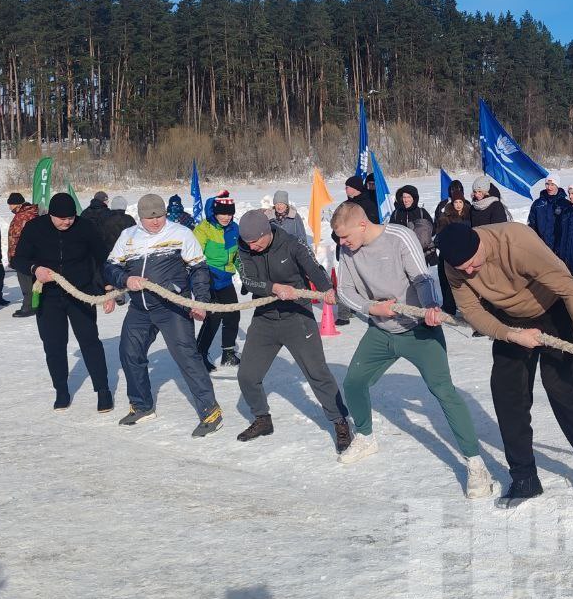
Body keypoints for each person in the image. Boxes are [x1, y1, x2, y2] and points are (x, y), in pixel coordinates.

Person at [437, 221, 573, 506]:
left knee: (563, 392)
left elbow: (569, 288)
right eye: (462, 269)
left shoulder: (516, 242)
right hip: (510, 321)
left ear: (479, 243)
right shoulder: (455, 265)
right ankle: (524, 478)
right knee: (507, 395)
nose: (469, 273)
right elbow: (471, 309)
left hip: (554, 309)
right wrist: (510, 334)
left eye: (472, 264)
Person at [332, 203, 493, 497]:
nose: (341, 243)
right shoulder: (347, 251)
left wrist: (431, 306)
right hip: (381, 331)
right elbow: (344, 291)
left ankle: (476, 463)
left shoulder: (399, 237)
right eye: (339, 239)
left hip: (418, 330)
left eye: (344, 237)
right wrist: (372, 308)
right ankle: (366, 438)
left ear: (362, 225)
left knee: (444, 391)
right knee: (353, 382)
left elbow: (422, 278)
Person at [234, 209, 352, 452]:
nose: (252, 246)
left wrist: (327, 289)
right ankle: (261, 418)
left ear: (267, 233)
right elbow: (248, 280)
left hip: (297, 317)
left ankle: (339, 421)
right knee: (247, 375)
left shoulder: (291, 243)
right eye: (248, 243)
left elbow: (313, 267)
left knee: (317, 373)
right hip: (265, 319)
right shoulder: (244, 248)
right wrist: (273, 287)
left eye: (256, 242)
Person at [105, 193, 220, 436]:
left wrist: (200, 301)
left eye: (160, 216)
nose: (156, 222)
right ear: (141, 218)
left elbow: (199, 268)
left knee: (187, 358)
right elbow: (111, 266)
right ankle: (142, 405)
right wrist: (126, 278)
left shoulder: (181, 234)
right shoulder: (128, 237)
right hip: (140, 308)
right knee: (129, 353)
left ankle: (210, 412)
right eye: (150, 217)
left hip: (172, 308)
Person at [12, 192, 114, 412]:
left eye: (70, 218)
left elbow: (102, 257)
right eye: (61, 218)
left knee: (90, 341)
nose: (67, 222)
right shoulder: (35, 228)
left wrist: (107, 288)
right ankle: (61, 390)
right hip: (49, 296)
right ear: (51, 215)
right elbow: (18, 259)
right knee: (54, 345)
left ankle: (103, 390)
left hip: (80, 293)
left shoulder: (85, 227)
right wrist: (35, 269)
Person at [192, 191, 242, 370]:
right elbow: (194, 259)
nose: (226, 217)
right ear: (214, 212)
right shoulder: (203, 229)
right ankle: (199, 354)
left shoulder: (234, 229)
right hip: (207, 277)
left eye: (229, 213)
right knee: (213, 317)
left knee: (233, 314)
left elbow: (237, 256)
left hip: (225, 278)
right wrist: (201, 282)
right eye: (222, 213)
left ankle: (228, 353)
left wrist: (245, 278)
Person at [433, 181, 471, 313]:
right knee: (446, 279)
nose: (458, 205)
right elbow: (439, 233)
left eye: (460, 202)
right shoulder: (445, 214)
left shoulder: (470, 211)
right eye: (456, 202)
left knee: (465, 282)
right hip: (449, 252)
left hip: (467, 252)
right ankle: (449, 306)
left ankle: (467, 307)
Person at [6, 192, 40, 317]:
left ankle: (28, 307)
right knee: (33, 282)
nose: (9, 207)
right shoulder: (29, 213)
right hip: (30, 255)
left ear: (16, 204)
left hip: (23, 256)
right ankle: (35, 305)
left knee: (26, 283)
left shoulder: (23, 216)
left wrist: (15, 256)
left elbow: (18, 238)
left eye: (10, 204)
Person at [390, 185, 436, 263]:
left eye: (409, 197)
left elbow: (433, 231)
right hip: (401, 255)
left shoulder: (422, 212)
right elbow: (390, 233)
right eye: (404, 197)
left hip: (421, 255)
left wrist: (421, 231)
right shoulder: (396, 213)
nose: (406, 200)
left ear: (414, 198)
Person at [527, 174, 568, 253]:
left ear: (557, 185)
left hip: (559, 249)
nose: (549, 187)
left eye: (552, 185)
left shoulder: (565, 204)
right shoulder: (538, 203)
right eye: (547, 184)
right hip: (541, 247)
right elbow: (531, 225)